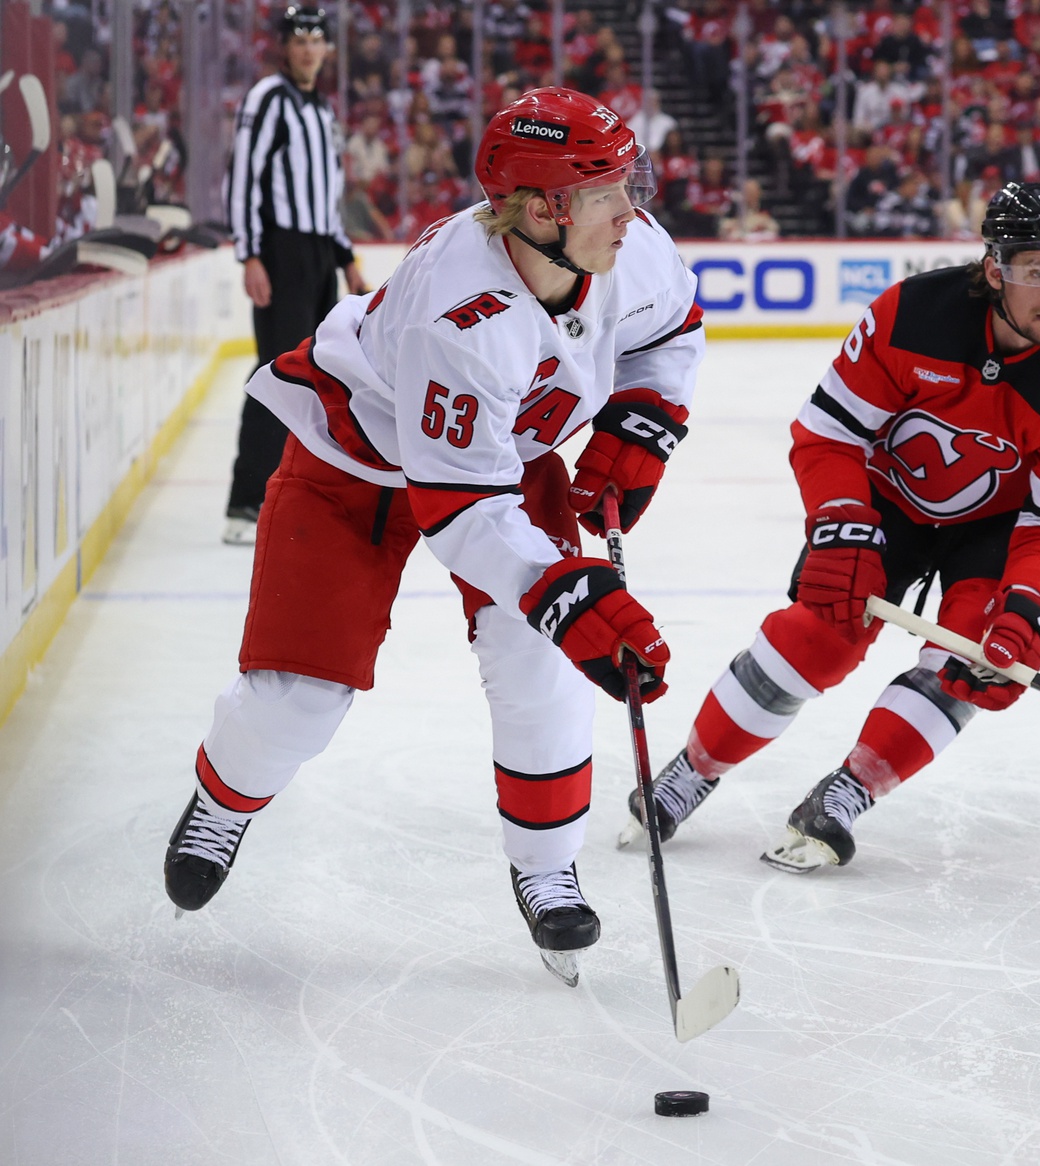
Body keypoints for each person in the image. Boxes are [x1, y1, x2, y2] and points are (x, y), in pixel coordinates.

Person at [162, 89, 704, 986]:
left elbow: (675, 330)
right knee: (297, 698)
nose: (632, 209)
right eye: (608, 190)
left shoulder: (630, 250)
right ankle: (223, 800)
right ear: (542, 209)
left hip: (503, 459)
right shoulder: (461, 315)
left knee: (539, 665)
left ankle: (546, 867)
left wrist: (643, 422)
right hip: (353, 466)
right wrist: (567, 593)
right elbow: (458, 512)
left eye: (625, 182)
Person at [617, 181, 1040, 874]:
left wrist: (1030, 604)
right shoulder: (912, 315)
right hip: (883, 501)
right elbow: (830, 434)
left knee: (974, 655)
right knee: (818, 634)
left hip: (999, 529)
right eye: (1035, 272)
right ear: (994, 270)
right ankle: (692, 771)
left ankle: (845, 795)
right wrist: (840, 522)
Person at [223, 6, 368, 546]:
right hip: (280, 254)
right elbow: (243, 177)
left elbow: (329, 196)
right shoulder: (268, 99)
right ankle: (243, 502)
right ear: (285, 46)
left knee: (320, 373)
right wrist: (250, 254)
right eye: (299, 39)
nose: (308, 49)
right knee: (277, 370)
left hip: (318, 257)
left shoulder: (322, 111)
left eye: (317, 39)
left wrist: (346, 255)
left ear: (327, 48)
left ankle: (302, 493)